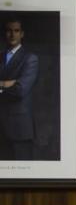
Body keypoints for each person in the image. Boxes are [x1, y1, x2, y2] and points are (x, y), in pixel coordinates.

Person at [0, 17, 38, 160]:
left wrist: (2, 84)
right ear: (5, 33)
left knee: (21, 177)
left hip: (19, 129)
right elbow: (14, 87)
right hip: (1, 129)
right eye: (9, 31)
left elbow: (20, 90)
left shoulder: (30, 58)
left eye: (16, 31)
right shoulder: (0, 57)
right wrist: (7, 83)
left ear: (22, 34)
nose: (12, 34)